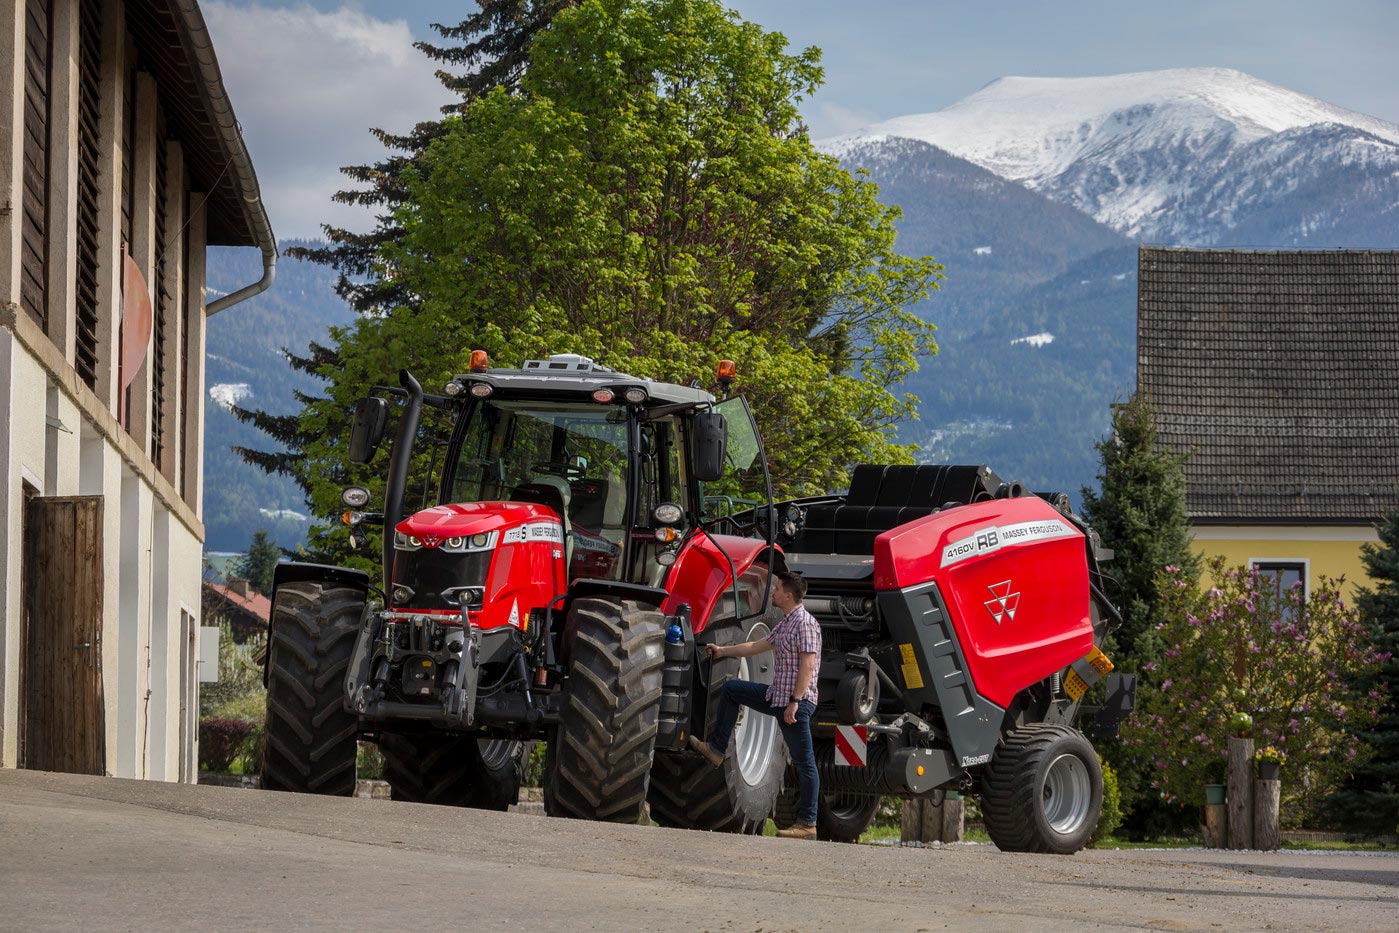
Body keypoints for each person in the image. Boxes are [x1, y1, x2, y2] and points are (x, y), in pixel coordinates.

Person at [688, 570, 822, 839]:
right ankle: (716, 750)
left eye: (776, 589)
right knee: (732, 690)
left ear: (787, 595)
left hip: (794, 704)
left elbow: (808, 665)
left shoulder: (805, 623)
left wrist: (795, 702)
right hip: (776, 697)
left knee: (805, 763)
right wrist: (723, 650)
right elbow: (755, 646)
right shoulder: (786, 623)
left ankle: (808, 823)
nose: (772, 592)